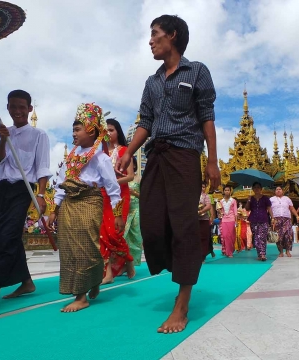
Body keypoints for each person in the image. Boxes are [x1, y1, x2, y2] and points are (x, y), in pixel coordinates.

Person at [115, 15, 220, 333]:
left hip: (185, 156)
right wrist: (129, 151)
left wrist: (212, 161)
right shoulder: (151, 82)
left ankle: (182, 302)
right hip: (155, 157)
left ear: (172, 36)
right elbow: (145, 120)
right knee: (152, 224)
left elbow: (207, 118)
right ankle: (181, 265)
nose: (150, 41)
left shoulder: (197, 71)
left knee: (184, 225)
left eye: (155, 34)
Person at [48, 103, 125, 313]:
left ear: (91, 130)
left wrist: (118, 214)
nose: (74, 133)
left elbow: (112, 187)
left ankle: (81, 297)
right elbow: (60, 185)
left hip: (90, 201)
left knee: (85, 246)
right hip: (69, 204)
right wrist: (54, 209)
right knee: (69, 248)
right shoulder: (70, 159)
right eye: (73, 129)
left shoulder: (101, 158)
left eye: (77, 129)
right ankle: (88, 283)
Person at [0, 90, 51, 308]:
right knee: (5, 234)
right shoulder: (0, 132)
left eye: (22, 107)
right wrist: (2, 140)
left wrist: (40, 195)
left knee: (7, 235)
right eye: (13, 107)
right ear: (8, 108)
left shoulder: (40, 136)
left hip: (23, 189)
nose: (17, 111)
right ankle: (27, 282)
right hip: (1, 188)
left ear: (29, 109)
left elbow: (42, 167)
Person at [100, 119, 135, 284]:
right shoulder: (100, 153)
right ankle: (107, 273)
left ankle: (128, 259)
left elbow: (130, 176)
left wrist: (111, 182)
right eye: (105, 130)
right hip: (103, 196)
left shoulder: (124, 150)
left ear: (118, 132)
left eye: (111, 130)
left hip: (121, 196)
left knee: (115, 233)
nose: (108, 133)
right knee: (103, 234)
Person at [245, 182, 273, 261]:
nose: (256, 189)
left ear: (261, 189)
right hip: (254, 220)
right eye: (255, 187)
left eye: (258, 187)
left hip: (263, 219)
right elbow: (247, 209)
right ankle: (259, 254)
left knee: (262, 237)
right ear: (253, 189)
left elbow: (269, 208)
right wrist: (248, 200)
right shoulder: (251, 198)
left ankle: (263, 254)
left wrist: (273, 217)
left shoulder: (265, 198)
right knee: (257, 238)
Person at [270, 185, 299, 258]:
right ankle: (280, 252)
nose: (278, 190)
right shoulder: (271, 199)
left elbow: (292, 208)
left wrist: (297, 216)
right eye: (277, 189)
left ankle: (287, 251)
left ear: (282, 191)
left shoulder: (287, 199)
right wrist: (271, 218)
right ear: (275, 191)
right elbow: (268, 209)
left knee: (288, 235)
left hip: (286, 219)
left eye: (280, 189)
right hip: (276, 219)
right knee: (279, 236)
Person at [123, 159, 143, 267]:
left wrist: (134, 193)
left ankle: (130, 265)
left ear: (134, 165)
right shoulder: (122, 179)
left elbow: (145, 197)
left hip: (136, 211)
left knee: (134, 238)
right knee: (122, 237)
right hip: (124, 211)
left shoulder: (139, 178)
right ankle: (121, 264)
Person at [218, 185, 237, 258]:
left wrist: (236, 221)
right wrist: (219, 213)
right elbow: (220, 211)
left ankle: (231, 249)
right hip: (224, 220)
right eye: (225, 190)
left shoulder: (233, 201)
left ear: (230, 191)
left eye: (228, 190)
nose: (227, 191)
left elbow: (235, 212)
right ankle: (228, 252)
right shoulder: (221, 201)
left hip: (232, 219)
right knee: (225, 236)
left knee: (232, 236)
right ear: (223, 191)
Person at [199, 182, 212, 261]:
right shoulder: (193, 195)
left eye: (203, 187)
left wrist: (201, 211)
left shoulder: (206, 196)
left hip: (204, 219)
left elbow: (209, 206)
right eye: (200, 186)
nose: (201, 188)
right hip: (194, 219)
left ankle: (203, 255)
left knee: (204, 237)